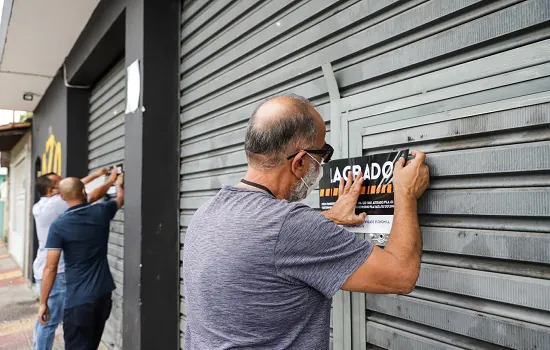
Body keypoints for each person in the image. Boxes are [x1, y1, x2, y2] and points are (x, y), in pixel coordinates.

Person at [183, 93, 430, 349]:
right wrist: (404, 193)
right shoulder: (291, 226)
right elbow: (401, 276)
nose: (322, 164)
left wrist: (328, 218)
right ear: (300, 162)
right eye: (323, 153)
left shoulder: (207, 213)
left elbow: (260, 244)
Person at [32, 168, 118, 350]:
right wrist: (111, 182)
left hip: (50, 270)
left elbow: (74, 187)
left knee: (50, 320)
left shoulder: (40, 205)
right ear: (51, 191)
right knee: (49, 321)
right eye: (57, 182)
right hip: (57, 274)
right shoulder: (55, 206)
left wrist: (96, 175)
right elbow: (86, 194)